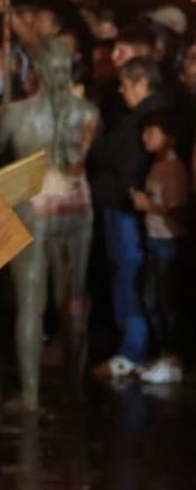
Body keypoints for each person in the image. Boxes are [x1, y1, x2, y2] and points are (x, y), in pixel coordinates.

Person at [0, 38, 99, 410]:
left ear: (35, 69)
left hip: (36, 203)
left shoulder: (16, 113)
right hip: (77, 202)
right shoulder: (89, 112)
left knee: (31, 301)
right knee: (72, 298)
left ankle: (31, 394)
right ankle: (75, 386)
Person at [88, 57, 168, 379]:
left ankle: (133, 351)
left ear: (140, 82)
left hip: (126, 209)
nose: (121, 92)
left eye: (125, 85)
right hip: (120, 205)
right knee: (127, 278)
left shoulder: (145, 117)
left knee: (129, 278)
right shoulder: (137, 116)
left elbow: (116, 157)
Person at [130, 109, 188, 384]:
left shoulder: (174, 169)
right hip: (154, 240)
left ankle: (174, 359)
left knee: (166, 302)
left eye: (151, 132)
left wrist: (148, 205)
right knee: (153, 300)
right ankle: (164, 354)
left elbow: (179, 211)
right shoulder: (156, 165)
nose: (145, 138)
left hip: (168, 242)